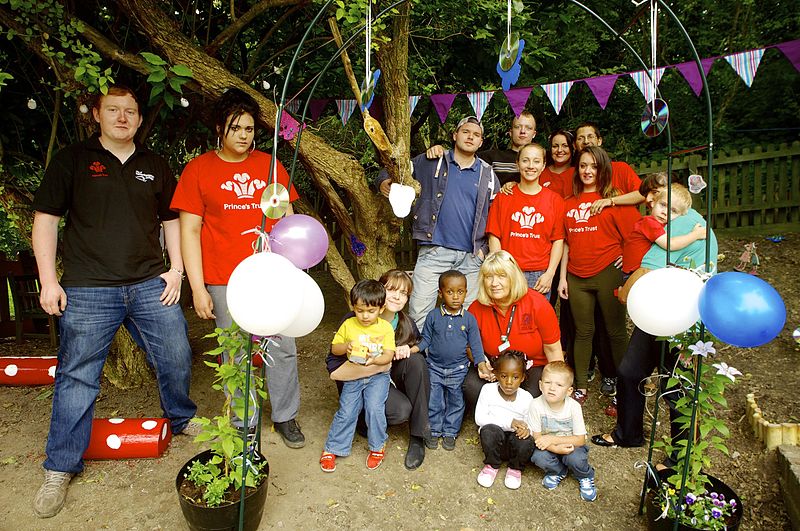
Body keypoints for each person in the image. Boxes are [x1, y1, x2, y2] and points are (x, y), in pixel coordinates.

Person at [30, 85, 197, 518]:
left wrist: (175, 270)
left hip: (149, 284)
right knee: (77, 375)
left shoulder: (155, 165)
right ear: (98, 116)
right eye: (114, 110)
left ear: (140, 120)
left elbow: (172, 222)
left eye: (130, 111)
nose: (123, 117)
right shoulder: (73, 160)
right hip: (88, 288)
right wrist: (49, 281)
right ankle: (60, 467)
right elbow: (46, 222)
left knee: (177, 354)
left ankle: (180, 418)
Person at [171, 88, 305, 449]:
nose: (244, 135)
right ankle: (242, 419)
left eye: (249, 128)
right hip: (223, 277)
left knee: (282, 345)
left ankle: (284, 415)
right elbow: (190, 231)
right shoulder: (198, 170)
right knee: (234, 348)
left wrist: (291, 269)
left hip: (270, 273)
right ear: (220, 128)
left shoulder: (269, 163)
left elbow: (287, 218)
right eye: (236, 127)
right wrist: (197, 288)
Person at [592, 181, 718, 455]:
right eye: (662, 204)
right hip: (657, 311)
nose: (664, 212)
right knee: (630, 372)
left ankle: (680, 458)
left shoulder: (685, 225)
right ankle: (628, 434)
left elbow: (647, 271)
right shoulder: (677, 222)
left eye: (671, 208)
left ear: (685, 208)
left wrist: (625, 293)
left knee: (676, 388)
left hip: (681, 319)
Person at [377, 116, 499, 330]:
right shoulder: (433, 160)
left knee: (468, 316)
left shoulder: (487, 174)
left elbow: (496, 215)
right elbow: (396, 168)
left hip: (471, 257)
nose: (470, 137)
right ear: (455, 135)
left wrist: (484, 251)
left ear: (481, 142)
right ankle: (417, 360)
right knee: (419, 311)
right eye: (465, 132)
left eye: (476, 135)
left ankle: (460, 360)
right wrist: (383, 181)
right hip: (435, 251)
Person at [557, 146, 641, 405]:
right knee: (582, 332)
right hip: (576, 276)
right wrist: (562, 278)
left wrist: (625, 260)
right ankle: (580, 386)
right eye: (583, 165)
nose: (587, 171)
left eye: (593, 166)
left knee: (615, 331)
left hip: (608, 272)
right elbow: (566, 244)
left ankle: (625, 386)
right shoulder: (568, 204)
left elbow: (635, 235)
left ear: (602, 168)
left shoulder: (613, 201)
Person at [326, 269, 431, 470]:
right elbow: (333, 364)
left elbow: (421, 347)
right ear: (380, 291)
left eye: (403, 293)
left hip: (386, 380)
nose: (397, 296)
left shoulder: (406, 324)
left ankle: (418, 435)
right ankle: (360, 422)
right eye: (391, 289)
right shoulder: (355, 319)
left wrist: (408, 349)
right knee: (388, 409)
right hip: (360, 378)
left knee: (417, 362)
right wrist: (376, 363)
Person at [463, 250, 563, 411]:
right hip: (496, 369)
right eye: (489, 277)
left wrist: (558, 384)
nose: (494, 283)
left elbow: (553, 349)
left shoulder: (537, 303)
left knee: (532, 398)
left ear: (513, 277)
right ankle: (500, 416)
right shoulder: (476, 309)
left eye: (502, 276)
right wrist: (481, 362)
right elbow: (469, 346)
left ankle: (509, 415)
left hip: (532, 368)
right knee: (471, 388)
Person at [321, 280, 395, 472]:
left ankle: (378, 446)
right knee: (347, 410)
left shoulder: (385, 328)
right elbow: (335, 349)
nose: (365, 316)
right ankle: (333, 447)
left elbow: (388, 355)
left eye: (371, 311)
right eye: (360, 310)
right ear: (353, 306)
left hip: (377, 376)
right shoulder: (348, 324)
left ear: (381, 308)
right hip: (353, 374)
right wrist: (347, 347)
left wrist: (375, 361)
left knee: (373, 408)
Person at [417, 270, 489, 450]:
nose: (456, 297)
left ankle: (450, 431)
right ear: (440, 293)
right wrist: (414, 349)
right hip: (434, 367)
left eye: (460, 292)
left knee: (456, 401)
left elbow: (476, 345)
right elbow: (425, 339)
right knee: (435, 400)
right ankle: (434, 430)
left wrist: (481, 363)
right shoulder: (433, 316)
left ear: (466, 292)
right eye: (450, 292)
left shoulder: (469, 319)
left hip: (459, 369)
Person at [486, 143, 565, 295]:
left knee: (534, 318)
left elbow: (558, 240)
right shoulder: (503, 197)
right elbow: (494, 235)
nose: (530, 166)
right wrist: (501, 269)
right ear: (517, 163)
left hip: (539, 274)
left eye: (536, 161)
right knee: (507, 318)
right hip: (509, 269)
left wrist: (550, 274)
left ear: (543, 166)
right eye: (525, 160)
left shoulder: (555, 200)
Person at [529, 361, 597, 502]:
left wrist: (554, 440)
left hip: (571, 445)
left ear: (569, 391)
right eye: (548, 383)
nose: (552, 388)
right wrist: (555, 448)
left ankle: (585, 476)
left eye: (559, 385)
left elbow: (580, 439)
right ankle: (558, 470)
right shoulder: (535, 405)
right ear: (540, 385)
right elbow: (537, 437)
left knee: (576, 458)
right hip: (548, 447)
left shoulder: (574, 407)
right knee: (538, 457)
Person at [474, 350, 536, 490]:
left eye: (515, 377)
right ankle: (492, 465)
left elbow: (532, 424)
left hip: (515, 445)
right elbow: (480, 418)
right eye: (503, 376)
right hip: (494, 443)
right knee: (488, 430)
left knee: (526, 440)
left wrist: (527, 430)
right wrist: (510, 422)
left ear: (522, 378)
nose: (509, 382)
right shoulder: (487, 390)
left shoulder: (527, 398)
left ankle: (515, 468)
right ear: (495, 374)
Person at [622, 182, 707, 275]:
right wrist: (695, 235)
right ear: (653, 203)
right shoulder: (649, 223)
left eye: (673, 211)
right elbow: (670, 245)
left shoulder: (661, 223)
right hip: (635, 273)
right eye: (663, 205)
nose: (665, 212)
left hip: (638, 269)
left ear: (680, 216)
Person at [538, 129, 576, 198]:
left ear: (572, 148)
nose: (559, 150)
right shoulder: (540, 172)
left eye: (565, 146)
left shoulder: (578, 173)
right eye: (555, 146)